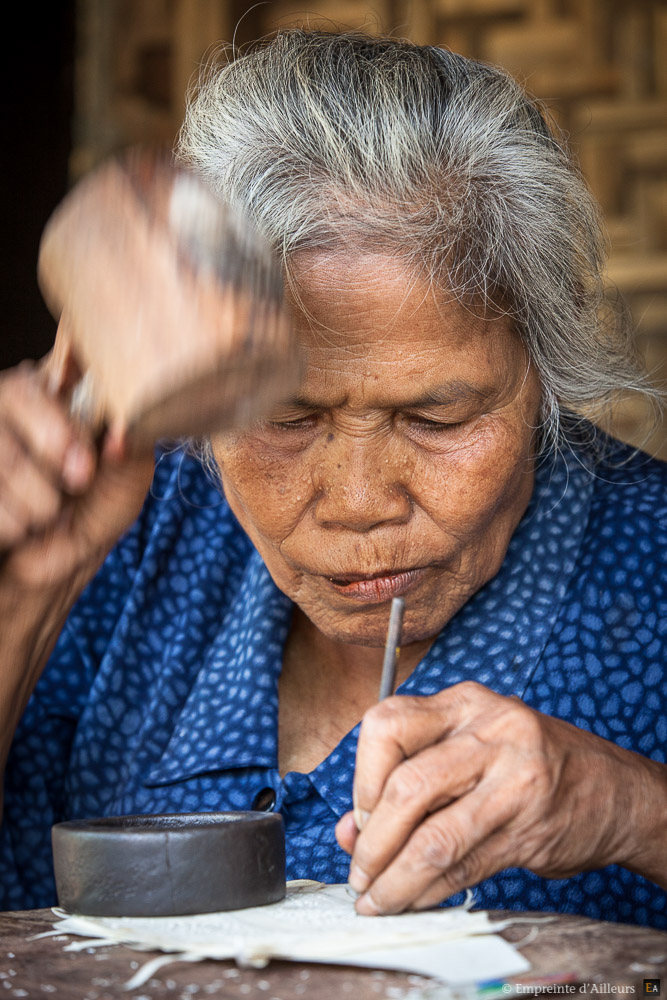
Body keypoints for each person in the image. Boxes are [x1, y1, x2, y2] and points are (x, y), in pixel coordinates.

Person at [0, 30, 666, 927]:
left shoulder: (650, 565)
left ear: (541, 370)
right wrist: (25, 595)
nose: (359, 501)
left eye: (435, 419)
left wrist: (631, 808)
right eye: (287, 420)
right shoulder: (126, 530)